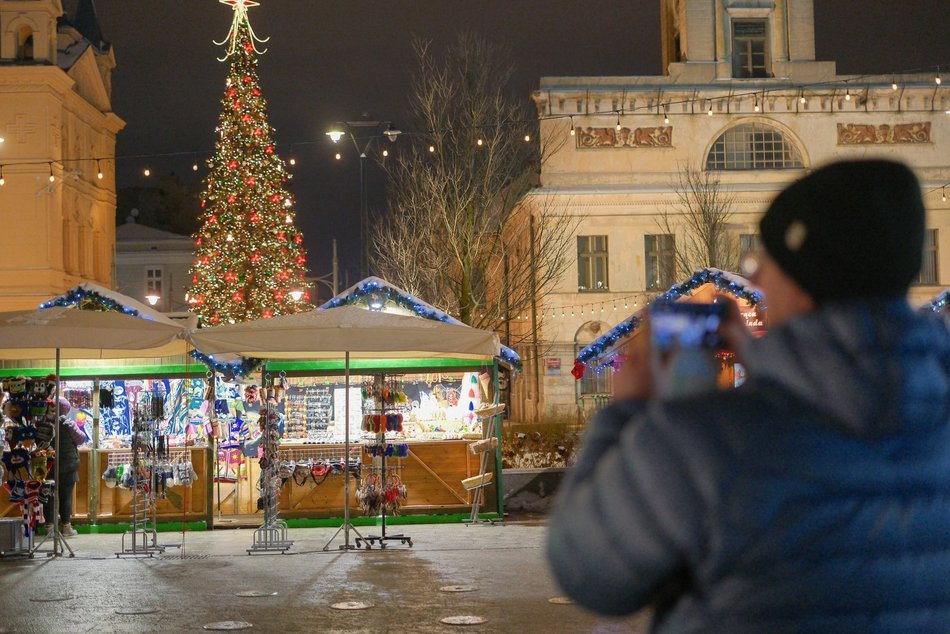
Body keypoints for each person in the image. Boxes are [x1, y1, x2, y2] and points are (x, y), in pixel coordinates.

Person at [547, 159, 950, 632]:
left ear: (806, 281)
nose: (755, 281)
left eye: (766, 262)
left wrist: (627, 409)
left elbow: (588, 571)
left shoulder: (708, 438)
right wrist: (763, 359)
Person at [38, 397, 87, 537]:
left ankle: (49, 528)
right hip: (68, 465)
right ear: (66, 409)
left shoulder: (43, 424)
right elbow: (81, 439)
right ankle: (66, 527)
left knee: (49, 496)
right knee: (66, 497)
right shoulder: (68, 423)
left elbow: (38, 443)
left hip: (48, 465)